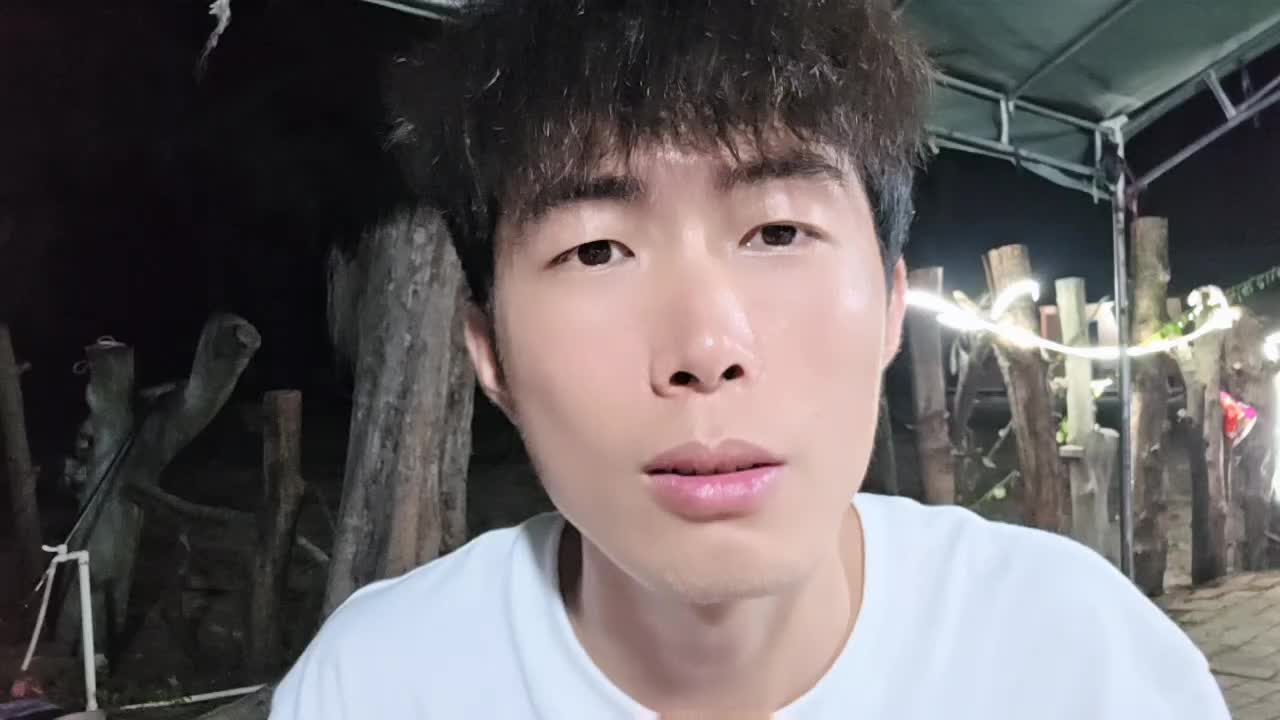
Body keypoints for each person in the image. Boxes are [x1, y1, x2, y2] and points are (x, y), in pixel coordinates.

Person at [270, 1, 1229, 718]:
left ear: (891, 306)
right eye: (596, 250)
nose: (705, 351)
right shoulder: (377, 687)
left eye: (777, 232)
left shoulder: (1079, 662)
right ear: (490, 356)